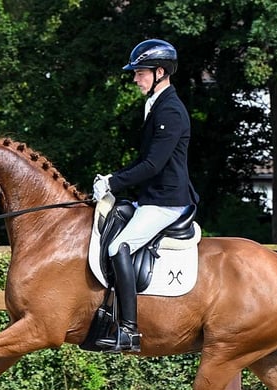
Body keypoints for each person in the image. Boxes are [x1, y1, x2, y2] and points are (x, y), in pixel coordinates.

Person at [92, 38, 199, 353]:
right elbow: (144, 161)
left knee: (118, 246)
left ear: (160, 72)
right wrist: (112, 178)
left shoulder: (171, 110)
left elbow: (153, 165)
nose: (135, 78)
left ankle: (128, 330)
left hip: (166, 201)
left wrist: (113, 182)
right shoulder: (156, 105)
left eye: (140, 72)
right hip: (150, 196)